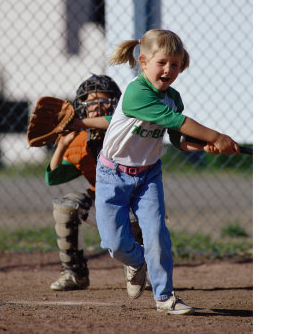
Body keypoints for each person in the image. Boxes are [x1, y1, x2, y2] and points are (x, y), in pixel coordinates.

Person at [95, 29, 240, 315]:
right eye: (162, 63)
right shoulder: (137, 92)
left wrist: (203, 146)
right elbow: (177, 121)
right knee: (114, 244)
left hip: (148, 176)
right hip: (112, 175)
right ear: (143, 61)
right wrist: (216, 135)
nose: (168, 70)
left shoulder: (173, 97)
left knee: (158, 234)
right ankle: (137, 261)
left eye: (175, 64)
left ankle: (165, 297)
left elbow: (178, 139)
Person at [45, 74, 146, 291]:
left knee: (136, 214)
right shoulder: (81, 140)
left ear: (116, 104)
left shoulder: (126, 130)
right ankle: (75, 273)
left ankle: (138, 267)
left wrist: (79, 123)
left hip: (133, 204)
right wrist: (62, 144)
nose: (97, 106)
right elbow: (53, 177)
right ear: (81, 107)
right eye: (90, 102)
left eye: (104, 101)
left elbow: (111, 122)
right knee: (66, 205)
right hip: (102, 204)